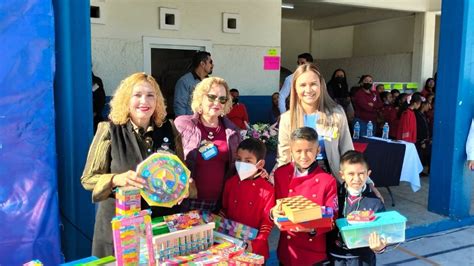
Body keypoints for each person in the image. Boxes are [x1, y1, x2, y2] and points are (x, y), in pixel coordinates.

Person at [81, 72, 186, 257]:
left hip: (160, 225)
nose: (144, 101)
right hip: (120, 226)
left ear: (157, 100)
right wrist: (116, 179)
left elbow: (181, 171)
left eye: (150, 95)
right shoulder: (109, 130)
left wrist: (182, 186)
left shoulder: (169, 129)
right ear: (126, 99)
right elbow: (88, 179)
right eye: (137, 95)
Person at [277, 63, 383, 199]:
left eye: (313, 84)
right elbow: (284, 156)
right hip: (299, 179)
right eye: (303, 85)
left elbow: (347, 150)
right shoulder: (287, 118)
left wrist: (368, 183)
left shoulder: (336, 114)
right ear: (295, 89)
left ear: (321, 86)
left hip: (331, 176)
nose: (308, 90)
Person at [272, 127, 338, 265]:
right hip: (287, 249)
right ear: (291, 151)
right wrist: (273, 213)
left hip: (313, 252)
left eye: (309, 150)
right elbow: (272, 204)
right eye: (298, 151)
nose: (303, 156)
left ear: (318, 150)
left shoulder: (327, 180)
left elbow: (332, 216)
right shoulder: (281, 174)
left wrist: (313, 228)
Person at [174, 77, 241, 212]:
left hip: (218, 204)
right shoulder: (182, 124)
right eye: (212, 97)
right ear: (200, 98)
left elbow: (236, 168)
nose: (217, 102)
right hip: (186, 201)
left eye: (222, 99)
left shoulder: (233, 132)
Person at [328, 150, 386, 266]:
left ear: (368, 174)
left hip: (362, 259)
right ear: (342, 175)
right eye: (351, 174)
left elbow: (383, 234)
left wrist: (379, 247)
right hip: (334, 257)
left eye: (361, 173)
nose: (356, 178)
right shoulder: (332, 197)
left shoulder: (375, 202)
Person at [220, 138, 275, 260]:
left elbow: (267, 223)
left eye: (248, 161)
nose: (242, 164)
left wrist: (256, 244)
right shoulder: (230, 183)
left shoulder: (268, 190)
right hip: (230, 245)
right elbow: (224, 210)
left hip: (255, 250)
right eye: (239, 159)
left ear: (260, 164)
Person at [174, 51, 214, 116]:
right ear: (202, 64)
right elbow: (180, 106)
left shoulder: (211, 82)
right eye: (210, 62)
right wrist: (183, 124)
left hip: (207, 123)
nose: (212, 65)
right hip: (190, 123)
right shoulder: (184, 81)